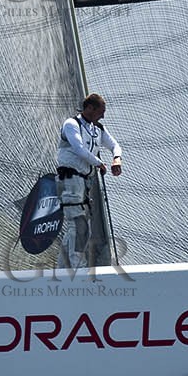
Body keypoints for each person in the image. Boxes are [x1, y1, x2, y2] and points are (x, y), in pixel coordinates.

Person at [55, 94, 121, 267]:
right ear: (90, 108)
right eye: (101, 111)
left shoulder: (97, 128)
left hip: (84, 183)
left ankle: (62, 269)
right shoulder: (71, 124)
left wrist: (117, 158)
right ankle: (79, 269)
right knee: (79, 227)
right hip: (70, 180)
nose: (103, 116)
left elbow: (115, 145)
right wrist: (100, 164)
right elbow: (78, 149)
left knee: (78, 228)